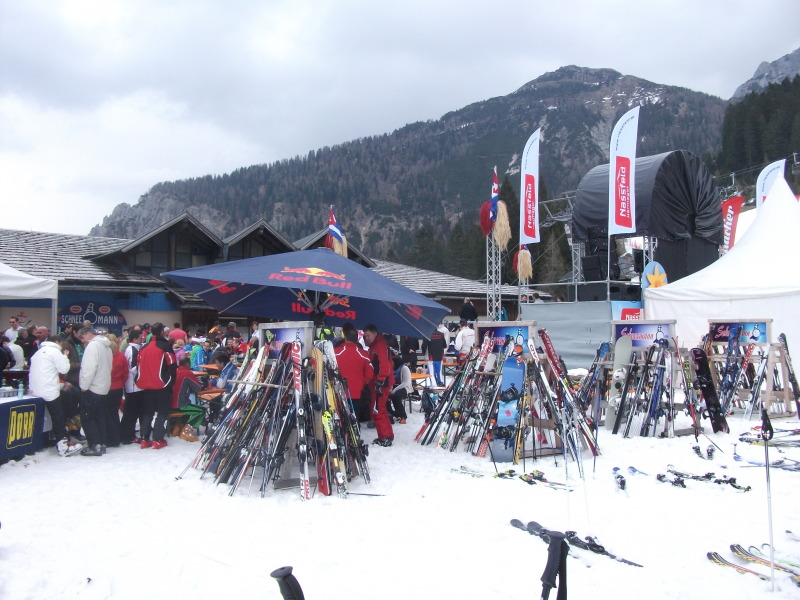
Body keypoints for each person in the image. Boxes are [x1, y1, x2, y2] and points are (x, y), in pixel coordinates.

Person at [135, 322, 176, 450]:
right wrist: (171, 381)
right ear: (162, 332)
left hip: (146, 385)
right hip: (162, 385)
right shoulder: (165, 346)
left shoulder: (143, 347)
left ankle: (144, 439)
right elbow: (173, 365)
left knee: (147, 413)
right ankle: (158, 440)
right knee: (162, 413)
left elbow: (138, 365)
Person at [28, 335, 72, 454]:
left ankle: (44, 440)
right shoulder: (55, 351)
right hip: (50, 390)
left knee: (42, 418)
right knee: (58, 417)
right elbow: (64, 369)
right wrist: (65, 356)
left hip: (35, 390)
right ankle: (62, 444)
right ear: (58, 342)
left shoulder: (38, 352)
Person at [77, 326, 113, 456]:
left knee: (88, 417)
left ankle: (94, 444)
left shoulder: (92, 346)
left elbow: (89, 368)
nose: (82, 340)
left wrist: (84, 386)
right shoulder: (107, 347)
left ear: (88, 334)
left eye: (82, 337)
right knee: (100, 417)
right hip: (103, 386)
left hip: (93, 387)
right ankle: (102, 443)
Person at [334, 323, 374, 423]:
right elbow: (370, 373)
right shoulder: (363, 354)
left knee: (341, 421)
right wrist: (361, 383)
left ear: (345, 336)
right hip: (357, 392)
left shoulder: (335, 353)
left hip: (339, 392)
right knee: (354, 421)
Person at [363, 323, 394, 446]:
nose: (366, 338)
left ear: (375, 334)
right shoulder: (375, 345)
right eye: (365, 336)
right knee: (381, 409)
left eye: (368, 335)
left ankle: (385, 437)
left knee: (377, 410)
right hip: (379, 382)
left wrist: (380, 381)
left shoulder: (380, 345)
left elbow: (385, 365)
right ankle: (387, 435)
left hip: (381, 383)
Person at [120, 327, 144, 445]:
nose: (142, 340)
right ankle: (127, 435)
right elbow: (133, 368)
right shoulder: (132, 349)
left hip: (134, 385)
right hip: (134, 386)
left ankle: (127, 433)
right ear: (134, 339)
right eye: (140, 338)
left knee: (131, 411)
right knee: (131, 412)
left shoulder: (133, 348)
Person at [105, 334, 127, 447]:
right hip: (118, 387)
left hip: (106, 387)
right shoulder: (121, 356)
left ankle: (109, 437)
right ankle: (116, 436)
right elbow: (125, 373)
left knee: (107, 413)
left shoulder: (105, 356)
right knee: (114, 413)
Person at [389, 355, 411, 424]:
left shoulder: (404, 368)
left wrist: (394, 390)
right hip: (394, 387)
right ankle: (393, 413)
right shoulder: (392, 369)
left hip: (404, 387)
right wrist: (390, 388)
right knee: (385, 395)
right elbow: (390, 380)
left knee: (395, 395)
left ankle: (403, 416)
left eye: (392, 362)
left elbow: (406, 382)